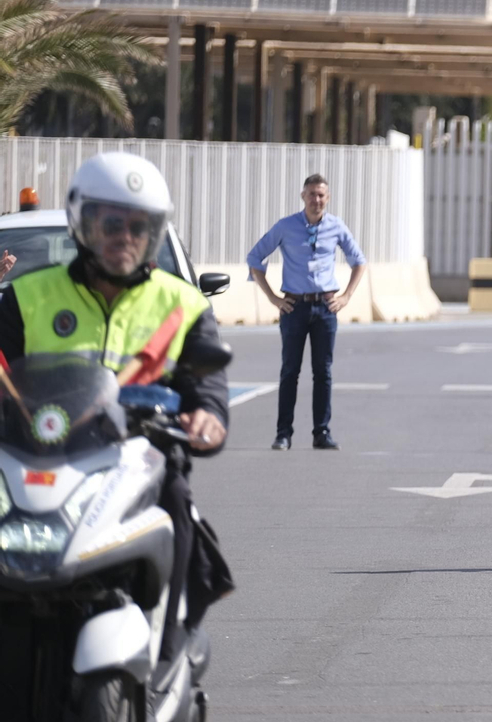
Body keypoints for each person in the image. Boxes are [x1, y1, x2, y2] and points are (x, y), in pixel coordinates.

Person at [0, 152, 230, 660]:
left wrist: (208, 417)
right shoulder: (26, 297)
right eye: (111, 224)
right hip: (39, 456)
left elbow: (208, 388)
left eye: (138, 226)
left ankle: (170, 642)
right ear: (83, 224)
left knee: (178, 508)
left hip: (140, 460)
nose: (124, 236)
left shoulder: (183, 305)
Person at [247, 173, 367, 451]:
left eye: (321, 195)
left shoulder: (336, 226)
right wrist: (273, 298)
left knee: (323, 372)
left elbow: (359, 261)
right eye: (312, 194)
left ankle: (321, 432)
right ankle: (283, 433)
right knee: (290, 370)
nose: (316, 200)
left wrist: (346, 296)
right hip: (295, 306)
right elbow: (255, 257)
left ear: (328, 198)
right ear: (303, 196)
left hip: (325, 307)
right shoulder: (286, 226)